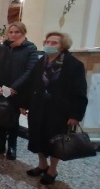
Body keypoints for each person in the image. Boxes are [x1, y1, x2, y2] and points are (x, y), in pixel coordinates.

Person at [23, 32, 88, 185]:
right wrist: (23, 104)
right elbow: (31, 84)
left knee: (54, 140)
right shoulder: (41, 61)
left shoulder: (74, 65)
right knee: (37, 136)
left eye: (54, 43)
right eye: (48, 42)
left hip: (59, 110)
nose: (49, 45)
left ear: (63, 46)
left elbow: (80, 91)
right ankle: (42, 164)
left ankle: (52, 169)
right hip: (38, 106)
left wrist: (76, 114)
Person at [0, 22, 38, 160]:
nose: (13, 35)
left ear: (23, 33)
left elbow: (30, 71)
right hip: (0, 89)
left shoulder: (30, 49)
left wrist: (14, 88)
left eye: (17, 32)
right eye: (11, 32)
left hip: (17, 91)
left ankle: (12, 146)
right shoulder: (0, 48)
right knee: (0, 116)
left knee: (13, 120)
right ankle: (1, 144)